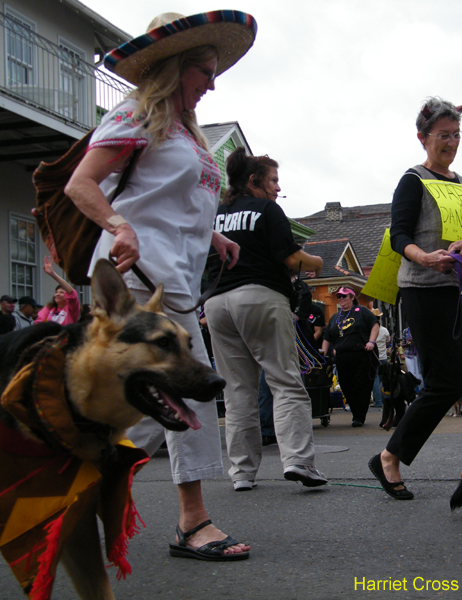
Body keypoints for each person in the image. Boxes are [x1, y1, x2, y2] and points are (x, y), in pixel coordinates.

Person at [64, 11, 256, 560]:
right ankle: (192, 520)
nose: (211, 83)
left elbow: (176, 201)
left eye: (215, 71)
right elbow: (83, 184)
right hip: (137, 278)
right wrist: (120, 226)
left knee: (140, 403)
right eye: (203, 69)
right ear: (174, 67)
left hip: (175, 276)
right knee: (186, 387)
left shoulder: (186, 132)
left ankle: (68, 478)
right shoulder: (137, 114)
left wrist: (213, 237)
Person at [369, 97, 462, 501]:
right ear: (423, 138)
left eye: (456, 135)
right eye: (443, 135)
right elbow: (400, 234)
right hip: (425, 290)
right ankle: (389, 457)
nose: (451, 142)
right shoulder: (413, 180)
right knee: (444, 383)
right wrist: (425, 257)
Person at [204, 147, 327, 490]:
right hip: (259, 296)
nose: (277, 188)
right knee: (285, 382)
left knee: (237, 391)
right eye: (273, 180)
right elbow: (291, 257)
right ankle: (299, 462)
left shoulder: (215, 213)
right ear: (254, 180)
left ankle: (241, 473)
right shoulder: (267, 209)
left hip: (216, 303)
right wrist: (316, 262)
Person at [321, 287, 379, 427]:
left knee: (361, 385)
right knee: (346, 386)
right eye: (339, 296)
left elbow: (375, 325)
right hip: (342, 356)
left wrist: (371, 341)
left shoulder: (362, 311)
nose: (341, 299)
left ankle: (359, 416)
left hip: (361, 354)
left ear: (352, 297)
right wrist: (322, 353)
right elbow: (327, 337)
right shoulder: (335, 317)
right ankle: (355, 411)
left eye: (344, 296)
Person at [34, 256, 81, 325]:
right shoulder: (49, 308)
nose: (57, 294)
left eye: (61, 292)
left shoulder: (72, 309)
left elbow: (72, 293)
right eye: (56, 292)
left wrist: (53, 274)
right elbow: (38, 323)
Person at [371, 309, 391, 408]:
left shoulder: (369, 330)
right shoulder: (384, 330)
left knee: (375, 379)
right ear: (379, 318)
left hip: (374, 357)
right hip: (383, 357)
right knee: (384, 379)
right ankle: (385, 399)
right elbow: (387, 342)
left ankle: (377, 401)